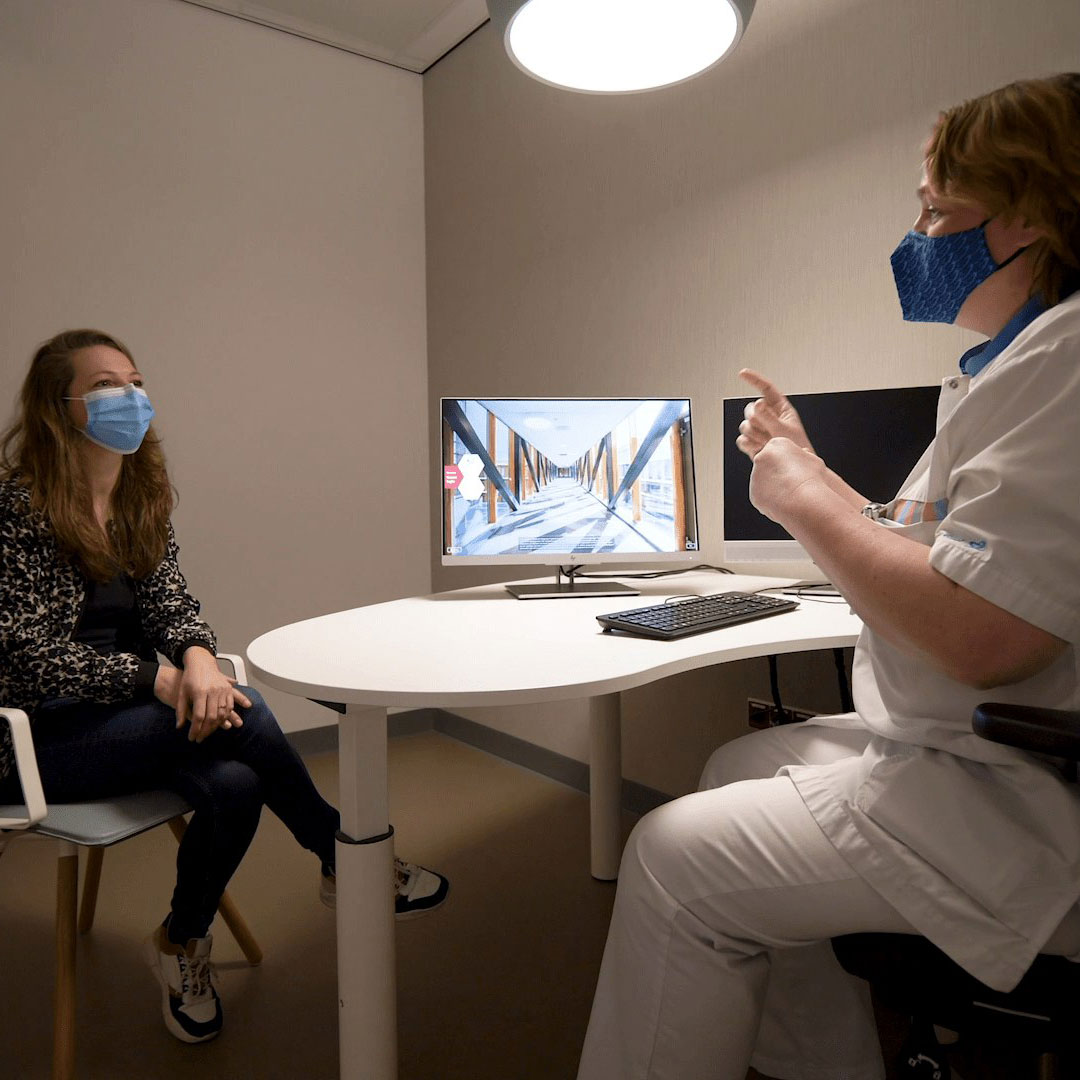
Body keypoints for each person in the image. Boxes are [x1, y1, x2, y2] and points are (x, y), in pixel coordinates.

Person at [577, 72, 1080, 1080]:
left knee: (671, 859)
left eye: (938, 210)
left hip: (1018, 786)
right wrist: (813, 470)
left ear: (1029, 216)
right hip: (959, 752)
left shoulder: (1066, 365)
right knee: (730, 766)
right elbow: (939, 550)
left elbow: (988, 636)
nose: (919, 237)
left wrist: (802, 496)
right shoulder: (1014, 365)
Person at [0, 329, 449, 1045]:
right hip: (37, 735)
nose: (133, 396)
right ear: (63, 408)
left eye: (137, 380)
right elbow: (28, 658)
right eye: (109, 384)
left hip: (129, 716)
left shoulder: (139, 496)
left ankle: (182, 942)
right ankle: (342, 857)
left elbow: (173, 606)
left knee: (238, 785)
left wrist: (199, 661)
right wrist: (162, 679)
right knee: (253, 710)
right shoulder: (18, 511)